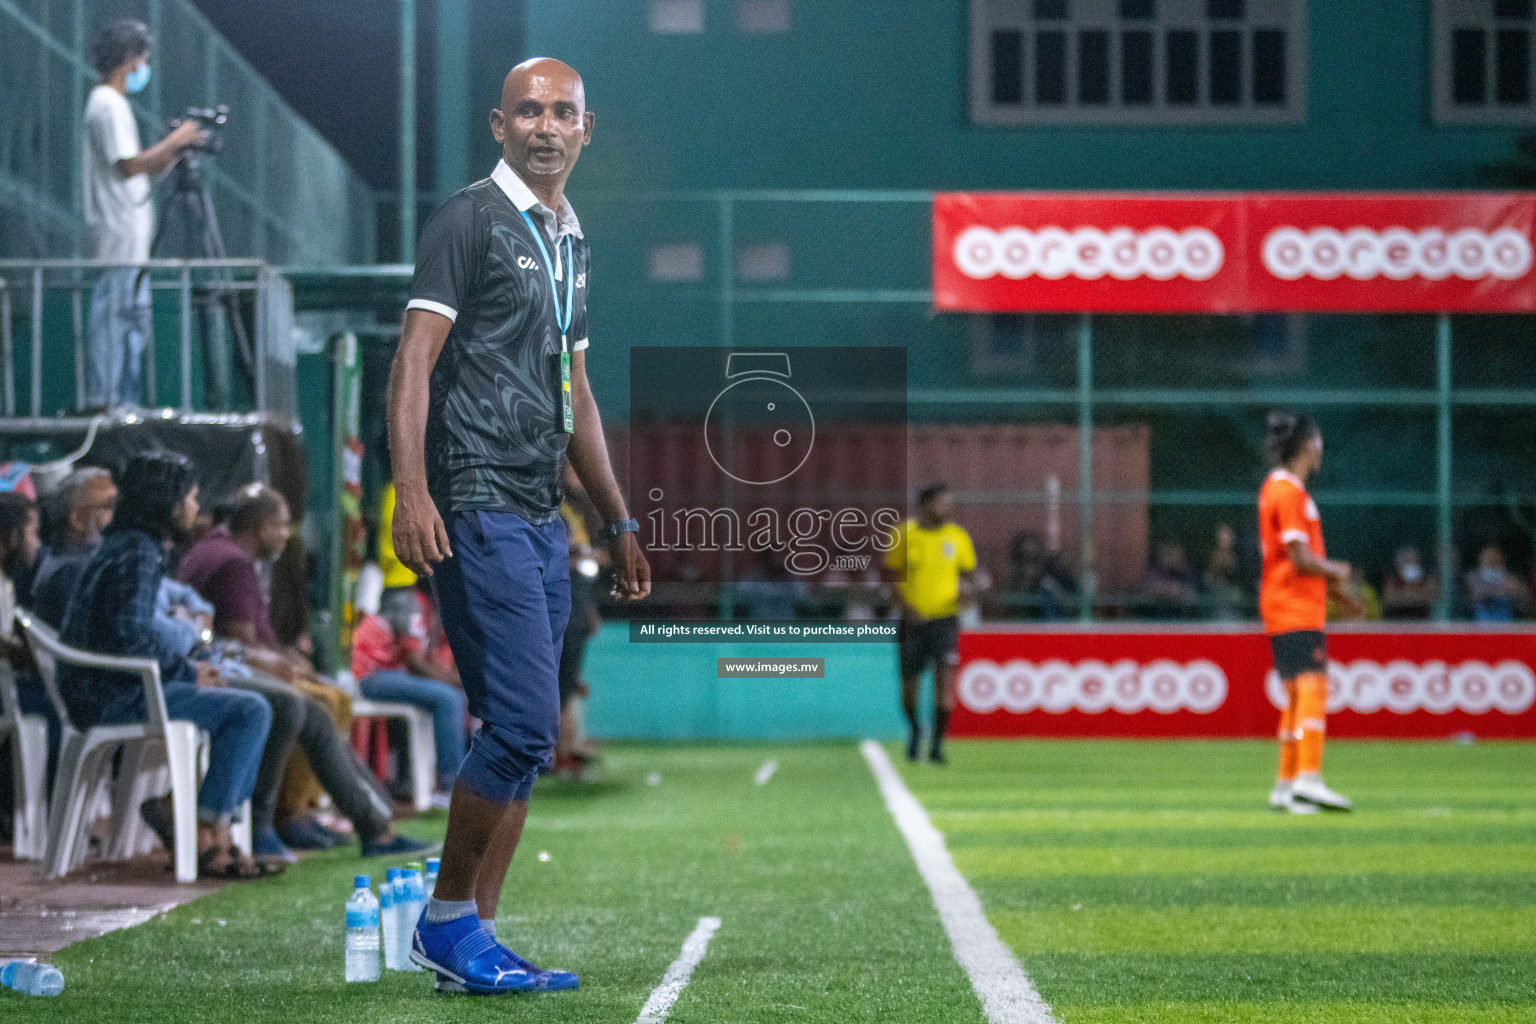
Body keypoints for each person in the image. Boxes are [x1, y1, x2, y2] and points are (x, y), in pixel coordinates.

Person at [388, 57, 650, 995]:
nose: (546, 125)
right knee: (526, 721)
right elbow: (413, 363)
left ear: (588, 128)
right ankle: (446, 921)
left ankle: (477, 937)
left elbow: (573, 391)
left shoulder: (571, 241)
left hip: (540, 510)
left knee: (526, 733)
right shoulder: (468, 220)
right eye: (529, 110)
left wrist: (614, 518)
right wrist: (410, 493)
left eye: (563, 111)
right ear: (499, 125)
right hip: (473, 500)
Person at [178, 483, 430, 861]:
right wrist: (286, 664)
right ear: (260, 527)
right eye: (281, 525)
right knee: (306, 705)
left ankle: (308, 813)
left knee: (319, 700)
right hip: (206, 671)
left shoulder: (217, 550)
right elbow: (239, 644)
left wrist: (286, 658)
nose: (286, 534)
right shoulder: (231, 561)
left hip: (210, 665)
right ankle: (283, 819)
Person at [55, 453, 275, 878]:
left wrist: (181, 666)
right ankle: (206, 830)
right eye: (190, 497)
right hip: (113, 695)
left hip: (109, 688)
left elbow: (131, 632)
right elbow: (129, 635)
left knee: (251, 705)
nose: (196, 508)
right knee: (251, 710)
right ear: (166, 501)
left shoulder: (134, 546)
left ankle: (205, 826)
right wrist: (185, 671)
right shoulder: (138, 551)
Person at [82, 20, 205, 409]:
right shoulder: (107, 104)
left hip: (128, 243)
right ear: (129, 60)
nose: (143, 69)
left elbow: (141, 167)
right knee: (115, 323)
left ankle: (124, 402)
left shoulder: (111, 104)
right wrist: (174, 140)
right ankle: (109, 401)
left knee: (131, 326)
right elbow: (129, 166)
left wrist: (173, 153)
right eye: (142, 60)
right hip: (118, 240)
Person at [1258, 413, 1357, 815]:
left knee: (1297, 694)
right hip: (1294, 604)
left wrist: (1333, 588)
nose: (1321, 451)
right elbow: (1299, 557)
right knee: (1314, 686)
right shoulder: (1290, 492)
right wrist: (1339, 572)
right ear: (1309, 446)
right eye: (1319, 443)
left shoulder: (1274, 488)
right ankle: (1308, 779)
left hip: (1283, 602)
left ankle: (1285, 785)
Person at [883, 483, 976, 766]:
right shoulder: (903, 535)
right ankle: (915, 728)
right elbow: (890, 578)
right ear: (924, 505)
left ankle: (936, 746)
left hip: (945, 621)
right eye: (942, 503)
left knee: (944, 684)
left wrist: (966, 594)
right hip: (911, 622)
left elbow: (969, 576)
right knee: (909, 690)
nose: (948, 509)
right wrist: (907, 608)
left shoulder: (957, 537)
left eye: (949, 504)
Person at [350, 578, 468, 801]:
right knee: (449, 698)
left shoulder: (429, 607)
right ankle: (451, 787)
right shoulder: (411, 602)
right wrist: (457, 682)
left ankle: (431, 782)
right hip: (369, 674)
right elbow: (415, 663)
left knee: (449, 696)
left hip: (389, 672)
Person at [1138, 539, 1201, 619]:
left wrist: (1178, 591)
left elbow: (1192, 597)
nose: (1168, 555)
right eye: (1166, 552)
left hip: (1182, 622)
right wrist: (1168, 591)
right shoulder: (1152, 570)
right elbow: (1145, 593)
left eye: (1172, 552)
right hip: (1151, 621)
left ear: (1181, 553)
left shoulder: (1188, 573)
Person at [1381, 545, 1438, 620]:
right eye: (1407, 560)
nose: (1410, 564)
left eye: (1413, 560)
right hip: (1397, 619)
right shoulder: (1392, 579)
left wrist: (1413, 590)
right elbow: (1389, 599)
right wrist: (1407, 591)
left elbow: (1432, 598)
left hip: (1422, 620)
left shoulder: (1427, 579)